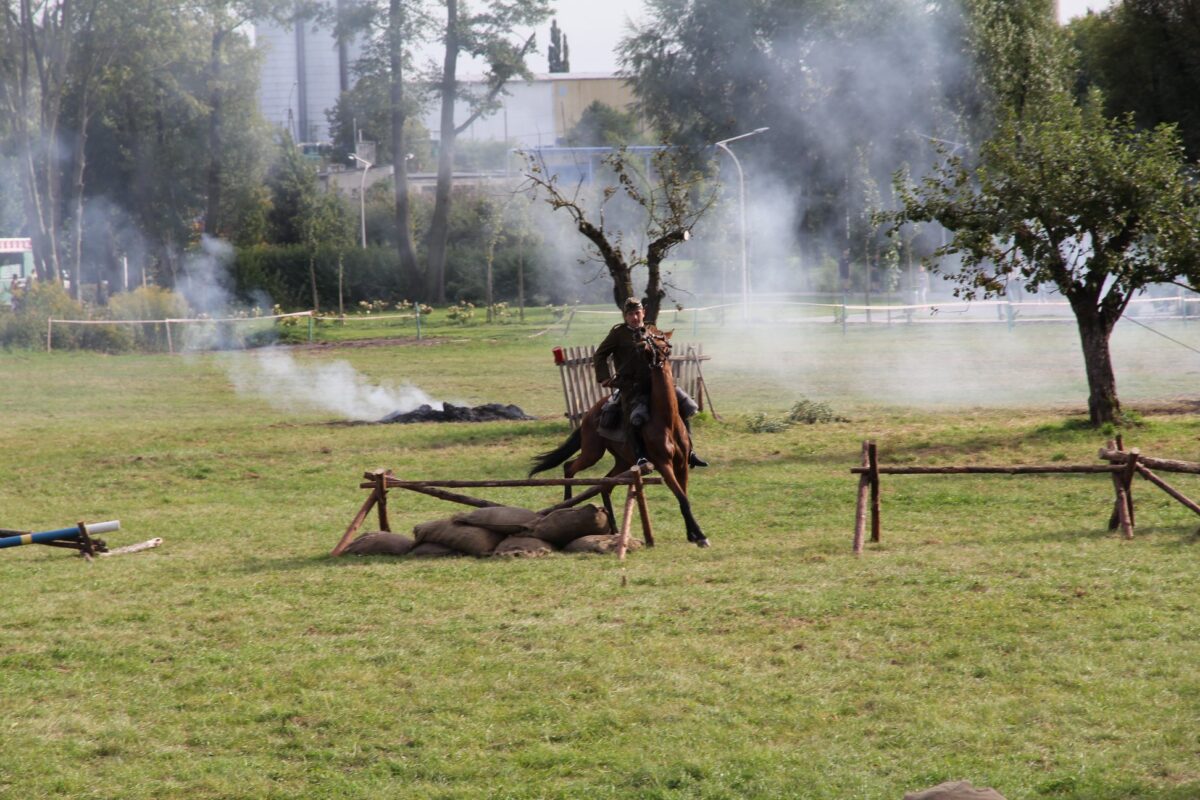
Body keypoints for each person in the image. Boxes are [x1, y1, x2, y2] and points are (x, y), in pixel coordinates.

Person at [594, 296, 708, 468]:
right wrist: (604, 377)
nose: (635, 317)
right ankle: (640, 457)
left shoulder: (652, 330)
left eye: (637, 313)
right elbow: (600, 355)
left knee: (683, 405)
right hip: (631, 387)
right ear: (625, 316)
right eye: (631, 314)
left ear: (643, 312)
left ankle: (689, 451)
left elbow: (665, 348)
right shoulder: (618, 334)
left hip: (656, 384)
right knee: (632, 417)